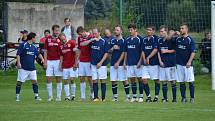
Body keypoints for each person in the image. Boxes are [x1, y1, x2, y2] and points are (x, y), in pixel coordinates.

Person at [80, 27, 109, 102]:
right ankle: (96, 97)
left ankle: (103, 98)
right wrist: (91, 39)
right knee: (94, 80)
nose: (94, 34)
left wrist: (101, 62)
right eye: (93, 33)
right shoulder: (92, 41)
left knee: (102, 80)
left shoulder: (104, 41)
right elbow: (82, 44)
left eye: (95, 33)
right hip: (93, 64)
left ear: (99, 33)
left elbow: (106, 53)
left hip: (101, 65)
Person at [15, 32, 44, 101]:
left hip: (32, 68)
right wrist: (18, 63)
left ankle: (36, 96)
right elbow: (18, 54)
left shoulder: (34, 46)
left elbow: (38, 54)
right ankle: (17, 96)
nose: (35, 39)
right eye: (35, 38)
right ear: (32, 38)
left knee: (35, 82)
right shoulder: (23, 45)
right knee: (20, 82)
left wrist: (42, 59)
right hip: (23, 68)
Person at [175, 23, 196, 103]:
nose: (181, 30)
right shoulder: (178, 39)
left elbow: (193, 51)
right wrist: (175, 33)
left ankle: (192, 98)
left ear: (186, 30)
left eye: (182, 28)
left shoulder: (190, 40)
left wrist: (189, 61)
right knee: (181, 82)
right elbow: (169, 38)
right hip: (179, 64)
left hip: (187, 65)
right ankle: (183, 98)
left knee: (190, 82)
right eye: (180, 28)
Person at [110, 25, 130, 102]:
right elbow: (109, 51)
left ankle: (128, 97)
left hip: (121, 64)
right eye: (115, 30)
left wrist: (118, 62)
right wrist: (112, 48)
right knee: (113, 80)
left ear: (121, 31)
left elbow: (124, 53)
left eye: (117, 30)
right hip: (113, 63)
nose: (116, 31)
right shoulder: (113, 40)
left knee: (124, 80)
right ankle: (115, 97)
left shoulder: (124, 41)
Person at [157, 25, 177, 102]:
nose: (161, 33)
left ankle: (174, 99)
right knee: (164, 82)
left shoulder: (171, 40)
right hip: (162, 64)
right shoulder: (159, 40)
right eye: (160, 31)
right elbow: (158, 51)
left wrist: (167, 51)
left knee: (172, 81)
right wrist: (160, 61)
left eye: (162, 31)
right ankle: (165, 98)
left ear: (166, 31)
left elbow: (175, 50)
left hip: (171, 63)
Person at [124, 23, 143, 103]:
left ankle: (141, 96)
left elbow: (142, 52)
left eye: (131, 29)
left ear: (135, 29)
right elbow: (126, 52)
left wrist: (140, 61)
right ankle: (134, 96)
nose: (130, 31)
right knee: (132, 79)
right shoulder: (127, 39)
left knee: (140, 79)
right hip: (130, 63)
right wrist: (125, 62)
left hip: (138, 64)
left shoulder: (140, 39)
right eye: (129, 30)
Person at [44, 24, 63, 101]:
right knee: (48, 78)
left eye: (58, 30)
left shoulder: (60, 40)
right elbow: (45, 51)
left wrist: (61, 63)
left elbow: (62, 53)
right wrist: (45, 62)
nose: (57, 32)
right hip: (49, 61)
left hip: (57, 61)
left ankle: (58, 97)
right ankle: (50, 96)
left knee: (58, 78)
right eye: (56, 30)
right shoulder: (47, 39)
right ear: (53, 30)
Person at [141, 25, 160, 102]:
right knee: (144, 80)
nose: (148, 31)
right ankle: (148, 97)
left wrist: (148, 57)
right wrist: (144, 59)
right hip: (145, 64)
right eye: (147, 30)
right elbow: (142, 50)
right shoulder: (144, 39)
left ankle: (156, 97)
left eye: (150, 30)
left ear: (153, 31)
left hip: (154, 63)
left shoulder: (156, 39)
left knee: (156, 80)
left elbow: (155, 49)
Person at [59, 33, 79, 101]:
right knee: (65, 81)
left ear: (65, 37)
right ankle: (67, 96)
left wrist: (76, 63)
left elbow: (76, 53)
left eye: (64, 39)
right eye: (62, 40)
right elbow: (61, 55)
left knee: (72, 79)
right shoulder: (60, 46)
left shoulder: (72, 42)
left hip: (72, 65)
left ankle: (73, 95)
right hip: (65, 66)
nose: (63, 41)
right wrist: (61, 64)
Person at [76, 26, 94, 100]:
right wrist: (77, 60)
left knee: (90, 78)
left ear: (84, 31)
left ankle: (92, 94)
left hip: (89, 60)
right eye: (79, 35)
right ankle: (83, 96)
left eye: (81, 34)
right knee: (81, 78)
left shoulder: (91, 36)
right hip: (82, 61)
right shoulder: (79, 38)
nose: (80, 36)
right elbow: (79, 49)